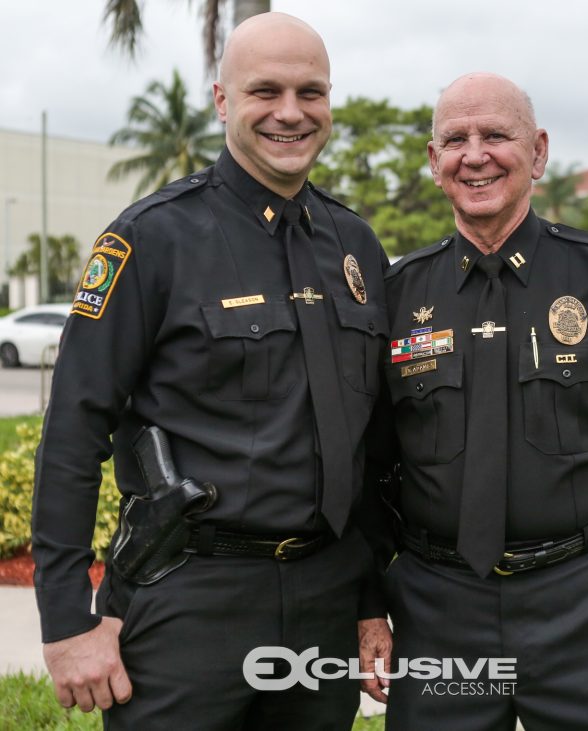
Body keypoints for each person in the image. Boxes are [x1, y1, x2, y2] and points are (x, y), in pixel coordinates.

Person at [31, 13, 391, 730]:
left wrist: (371, 596)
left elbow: (373, 441)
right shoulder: (152, 237)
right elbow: (73, 427)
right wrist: (68, 618)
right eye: (266, 91)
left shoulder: (355, 245)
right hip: (190, 596)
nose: (291, 112)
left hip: (324, 598)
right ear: (223, 101)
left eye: (310, 92)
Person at [367, 73, 588, 730]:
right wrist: (367, 604)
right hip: (439, 608)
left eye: (497, 135)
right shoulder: (396, 295)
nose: (475, 154)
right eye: (456, 139)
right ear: (434, 160)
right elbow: (368, 461)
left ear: (538, 152)